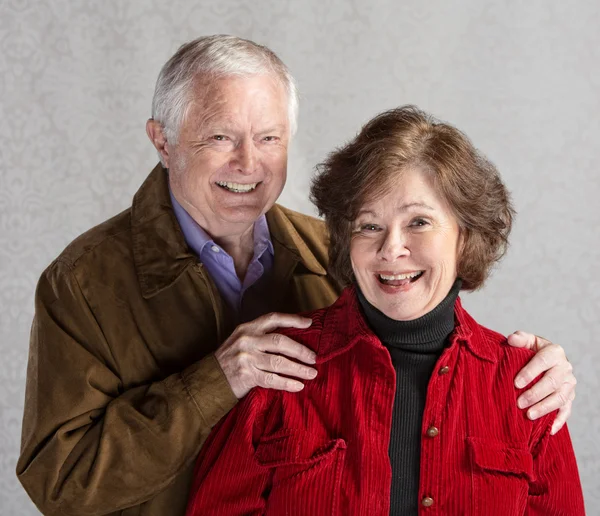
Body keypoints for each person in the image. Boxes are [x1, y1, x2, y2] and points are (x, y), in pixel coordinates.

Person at [17, 36, 576, 516]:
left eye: (269, 138)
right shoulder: (85, 282)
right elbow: (60, 482)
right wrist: (214, 382)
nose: (247, 163)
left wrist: (534, 364)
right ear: (162, 140)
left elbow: (417, 320)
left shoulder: (332, 249)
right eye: (219, 137)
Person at [185, 106, 585, 516]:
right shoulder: (276, 369)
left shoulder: (528, 387)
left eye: (419, 222)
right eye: (369, 226)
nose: (391, 249)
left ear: (465, 237)